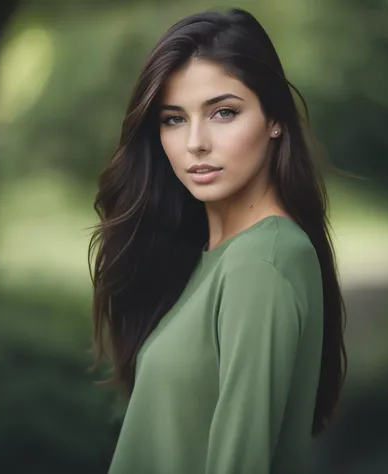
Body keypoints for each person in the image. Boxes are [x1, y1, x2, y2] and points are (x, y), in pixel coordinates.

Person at [89, 7, 347, 474]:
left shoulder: (261, 263)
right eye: (173, 119)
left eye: (223, 112)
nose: (195, 142)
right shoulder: (212, 257)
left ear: (275, 119)